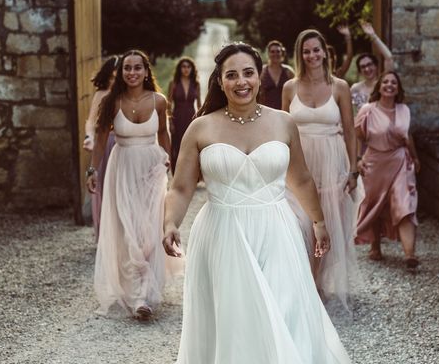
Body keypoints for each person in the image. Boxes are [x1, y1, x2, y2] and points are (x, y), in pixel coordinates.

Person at [163, 42, 351, 364]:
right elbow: (181, 188)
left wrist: (319, 222)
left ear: (259, 75)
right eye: (232, 75)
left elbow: (301, 179)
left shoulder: (282, 122)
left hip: (277, 230)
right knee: (237, 320)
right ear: (220, 81)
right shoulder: (201, 127)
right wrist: (170, 223)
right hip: (222, 232)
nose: (241, 82)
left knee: (284, 311)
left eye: (248, 73)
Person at [86, 49, 180, 320]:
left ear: (146, 71)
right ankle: (137, 292)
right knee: (128, 228)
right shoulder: (111, 102)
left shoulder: (159, 101)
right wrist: (92, 170)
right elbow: (101, 137)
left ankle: (145, 295)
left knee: (149, 229)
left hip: (151, 168)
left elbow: (164, 133)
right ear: (121, 72)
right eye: (127, 68)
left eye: (137, 68)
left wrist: (169, 166)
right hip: (122, 167)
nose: (132, 73)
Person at [282, 29, 363, 312]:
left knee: (326, 223)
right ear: (300, 54)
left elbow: (351, 132)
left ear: (325, 53)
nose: (312, 55)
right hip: (299, 162)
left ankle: (315, 282)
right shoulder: (289, 88)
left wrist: (353, 170)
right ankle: (301, 280)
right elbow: (281, 130)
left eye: (316, 50)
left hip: (332, 161)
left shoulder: (340, 86)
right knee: (300, 223)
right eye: (306, 51)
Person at [354, 71, 420, 269]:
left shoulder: (404, 110)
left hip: (400, 161)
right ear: (379, 86)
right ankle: (375, 246)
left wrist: (415, 157)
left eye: (393, 82)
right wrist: (357, 159)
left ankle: (410, 255)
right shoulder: (368, 109)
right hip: (374, 162)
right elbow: (357, 136)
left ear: (398, 88)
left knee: (405, 204)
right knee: (375, 204)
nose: (389, 85)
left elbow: (407, 136)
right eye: (385, 82)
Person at [83, 54, 119, 239]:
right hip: (103, 145)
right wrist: (89, 137)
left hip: (122, 145)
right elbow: (90, 121)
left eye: (116, 77)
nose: (113, 81)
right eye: (111, 77)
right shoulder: (101, 94)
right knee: (103, 188)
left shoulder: (126, 95)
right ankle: (104, 234)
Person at [350, 20, 395, 111]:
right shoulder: (356, 88)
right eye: (363, 67)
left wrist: (373, 36)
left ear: (376, 66)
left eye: (369, 64)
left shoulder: (384, 84)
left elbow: (389, 58)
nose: (367, 69)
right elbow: (350, 112)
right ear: (360, 71)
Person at [167, 57, 201, 173]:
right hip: (177, 118)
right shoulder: (174, 83)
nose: (186, 69)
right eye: (183, 67)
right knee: (177, 145)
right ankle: (176, 172)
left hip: (191, 118)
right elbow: (168, 104)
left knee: (191, 146)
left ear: (192, 69)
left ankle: (191, 173)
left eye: (188, 67)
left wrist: (200, 121)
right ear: (179, 69)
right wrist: (170, 122)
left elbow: (200, 105)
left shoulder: (196, 84)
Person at [258, 40, 294, 109]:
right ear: (268, 53)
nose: (275, 54)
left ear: (282, 53)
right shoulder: (262, 72)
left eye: (278, 51)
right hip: (266, 112)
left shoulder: (289, 72)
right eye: (272, 52)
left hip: (285, 113)